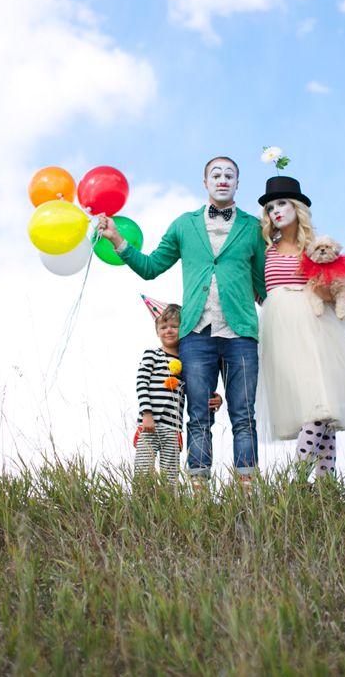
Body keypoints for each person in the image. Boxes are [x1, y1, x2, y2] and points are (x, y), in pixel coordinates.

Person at [98, 157, 266, 484]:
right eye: (215, 174)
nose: (222, 179)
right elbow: (151, 267)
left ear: (237, 183)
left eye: (229, 175)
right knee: (199, 417)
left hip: (241, 334)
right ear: (205, 182)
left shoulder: (253, 227)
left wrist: (321, 284)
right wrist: (118, 240)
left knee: (244, 416)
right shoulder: (183, 225)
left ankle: (248, 491)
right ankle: (199, 490)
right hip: (197, 336)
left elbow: (265, 284)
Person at [256, 175, 345, 479]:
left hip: (314, 324)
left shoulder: (314, 246)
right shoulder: (264, 249)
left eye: (282, 203)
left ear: (298, 208)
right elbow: (257, 289)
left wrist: (328, 291)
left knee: (323, 407)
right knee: (312, 408)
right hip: (279, 327)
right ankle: (325, 486)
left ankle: (297, 478)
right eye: (271, 207)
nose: (276, 211)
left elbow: (344, 289)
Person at [134, 303, 222, 483]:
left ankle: (167, 507)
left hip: (173, 428)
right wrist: (147, 414)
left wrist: (215, 397)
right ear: (157, 331)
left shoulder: (186, 363)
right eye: (163, 327)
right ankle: (141, 505)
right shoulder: (152, 354)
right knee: (143, 472)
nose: (169, 331)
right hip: (150, 424)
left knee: (170, 477)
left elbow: (195, 388)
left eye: (174, 326)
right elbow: (142, 384)